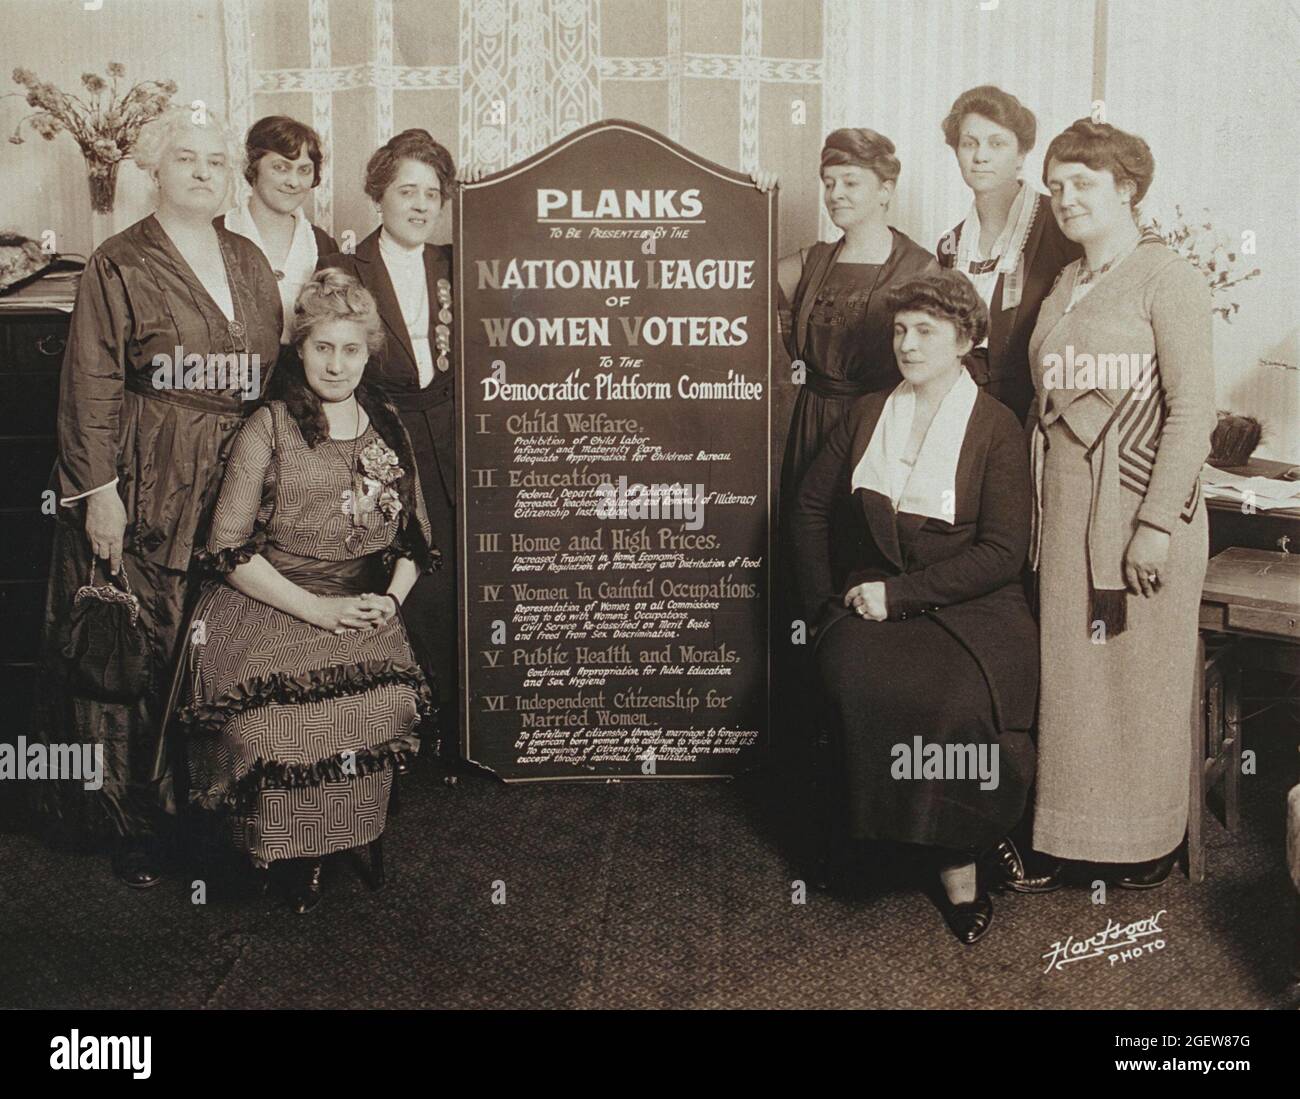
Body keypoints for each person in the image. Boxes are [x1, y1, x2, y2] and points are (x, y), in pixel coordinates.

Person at [30, 108, 282, 886]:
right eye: (185, 158)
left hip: (232, 474)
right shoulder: (117, 262)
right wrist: (98, 493)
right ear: (153, 170)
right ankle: (136, 821)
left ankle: (207, 807)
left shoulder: (246, 255)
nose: (204, 171)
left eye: (215, 160)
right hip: (147, 472)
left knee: (219, 641)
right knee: (145, 646)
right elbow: (90, 387)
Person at [180, 269, 440, 913]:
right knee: (275, 726)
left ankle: (332, 842)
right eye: (324, 346)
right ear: (300, 348)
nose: (337, 362)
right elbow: (228, 551)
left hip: (360, 606)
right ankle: (275, 849)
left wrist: (392, 599)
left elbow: (416, 539)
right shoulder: (268, 425)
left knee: (378, 708)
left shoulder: (387, 422)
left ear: (368, 352)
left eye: (351, 349)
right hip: (268, 601)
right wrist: (317, 610)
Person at [791, 270, 1039, 944]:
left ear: (965, 339)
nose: (907, 342)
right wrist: (820, 604)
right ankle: (888, 838)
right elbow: (809, 507)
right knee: (854, 674)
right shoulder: (868, 410)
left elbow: (1002, 551)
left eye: (925, 330)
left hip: (974, 607)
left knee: (952, 700)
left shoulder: (996, 426)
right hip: (872, 595)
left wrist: (899, 596)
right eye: (900, 329)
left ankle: (963, 857)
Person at [1023, 120, 1215, 890]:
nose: (1066, 199)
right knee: (1078, 678)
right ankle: (1075, 838)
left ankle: (1145, 844)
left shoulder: (1170, 277)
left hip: (1141, 514)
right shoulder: (1068, 282)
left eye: (1083, 184)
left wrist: (1154, 526)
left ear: (1127, 188)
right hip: (1068, 514)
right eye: (1057, 185)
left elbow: (1193, 409)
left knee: (1136, 679)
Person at [319, 129, 459, 757]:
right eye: (408, 190)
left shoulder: (454, 260)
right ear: (379, 194)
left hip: (452, 431)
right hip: (381, 432)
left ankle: (453, 719)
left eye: (433, 193)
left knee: (449, 562)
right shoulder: (349, 270)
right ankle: (395, 724)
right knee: (395, 563)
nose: (422, 205)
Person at [935, 85, 1081, 424]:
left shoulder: (1059, 225)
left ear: (1021, 154)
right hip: (962, 411)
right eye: (969, 143)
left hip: (1037, 415)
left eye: (996, 143)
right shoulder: (951, 244)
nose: (980, 156)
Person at [221, 115, 339, 343]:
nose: (293, 182)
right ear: (252, 167)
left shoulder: (322, 244)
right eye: (281, 168)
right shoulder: (215, 232)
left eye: (304, 170)